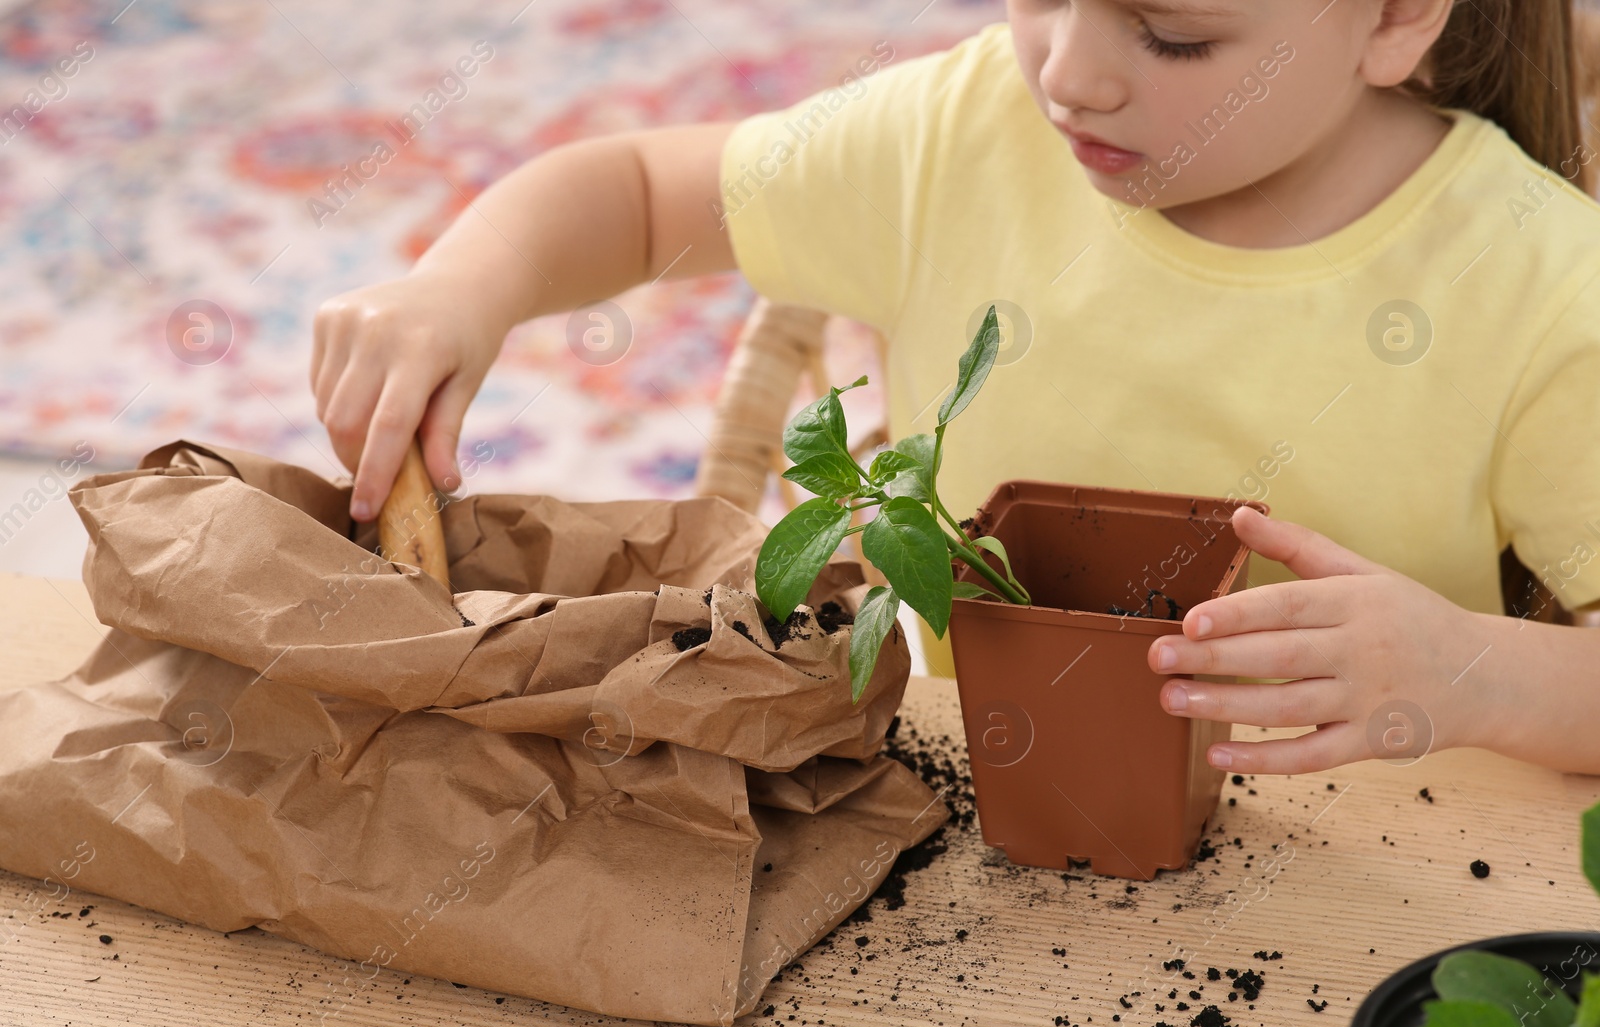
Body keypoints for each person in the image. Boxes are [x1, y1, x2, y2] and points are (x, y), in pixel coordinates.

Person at [310, 0, 1600, 776]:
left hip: (1366, 901)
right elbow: (644, 198)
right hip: (956, 826)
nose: (1070, 73)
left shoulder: (1541, 288)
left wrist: (1476, 676)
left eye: (1174, 32)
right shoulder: (962, 135)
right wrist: (460, 289)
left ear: (1395, 19)